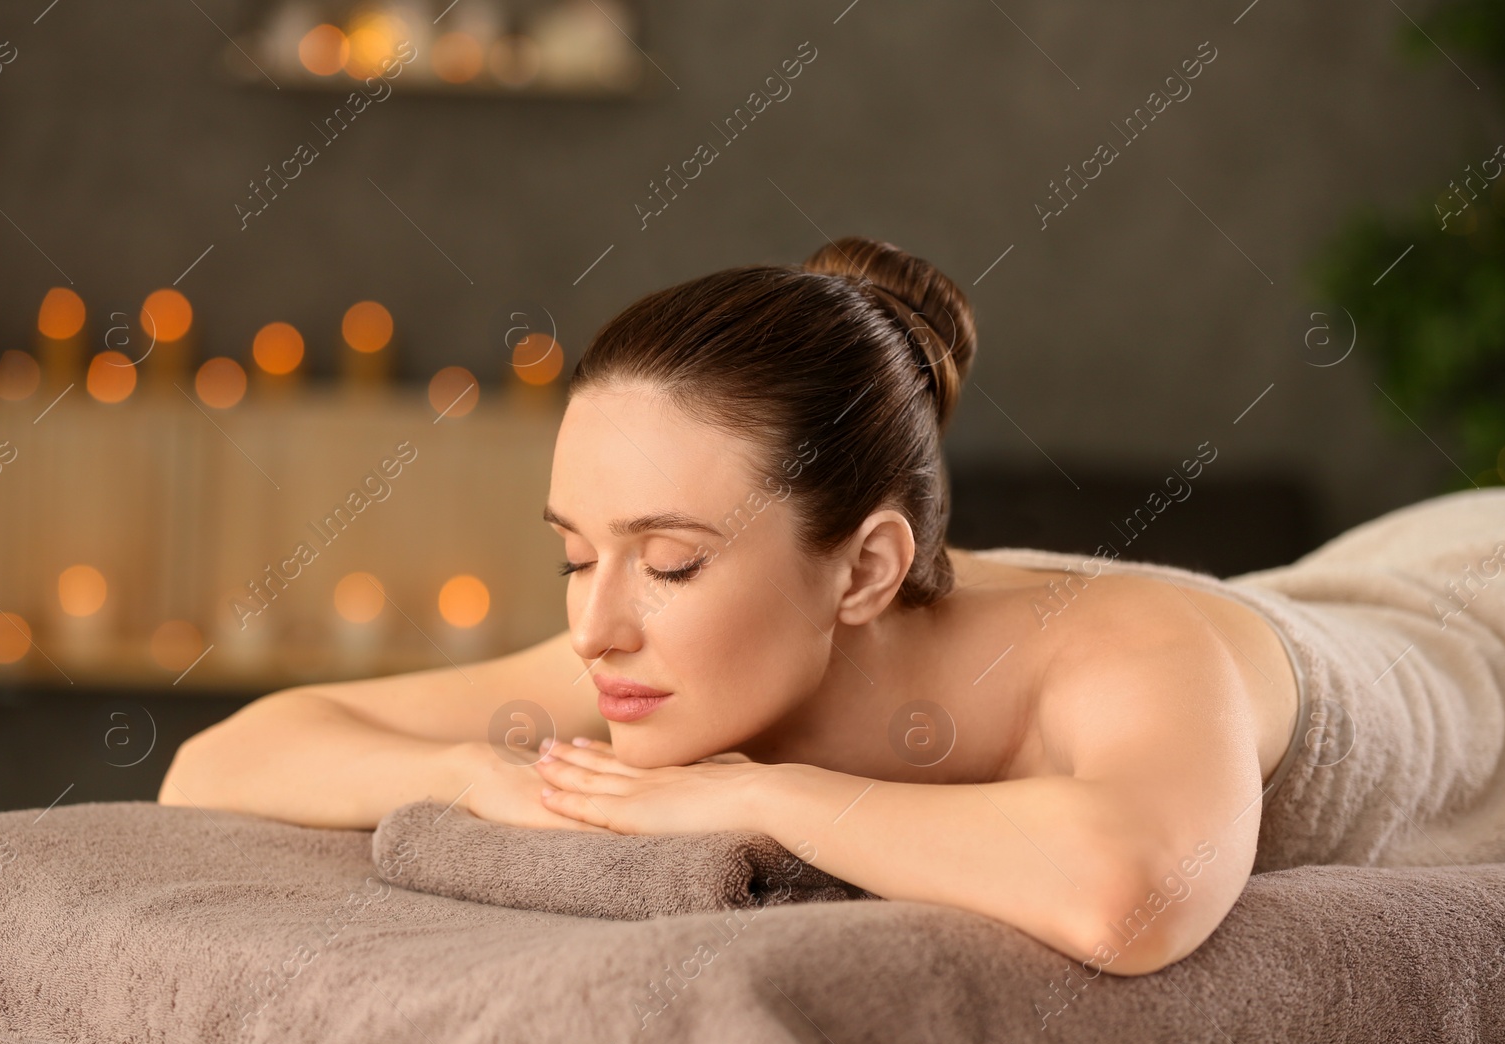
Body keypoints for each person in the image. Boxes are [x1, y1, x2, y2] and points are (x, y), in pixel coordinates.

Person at [159, 236, 1315, 978]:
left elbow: (1133, 892)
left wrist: (759, 792)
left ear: (862, 570)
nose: (594, 626)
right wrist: (472, 774)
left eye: (666, 560)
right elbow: (219, 760)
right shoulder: (652, 653)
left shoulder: (1124, 645)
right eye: (574, 553)